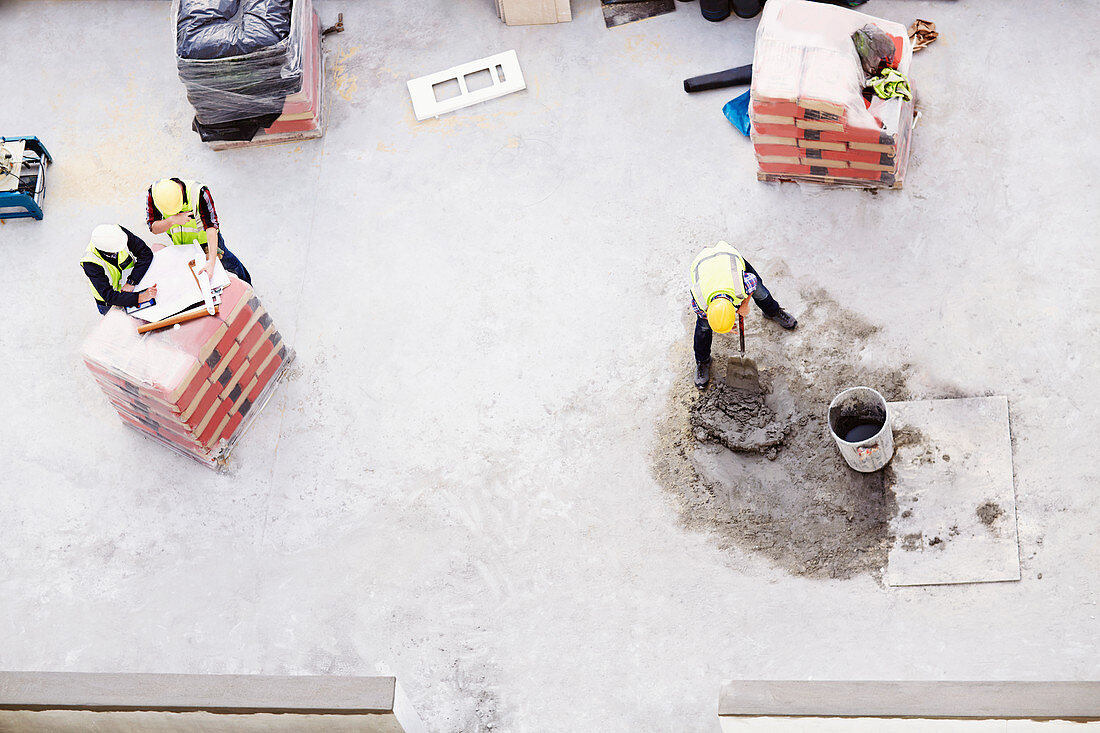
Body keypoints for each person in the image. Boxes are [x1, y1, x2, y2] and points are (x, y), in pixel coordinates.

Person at [689, 240, 797, 389]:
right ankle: (702, 361)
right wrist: (722, 325)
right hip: (704, 263)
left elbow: (752, 281)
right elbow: (709, 318)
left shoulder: (741, 284)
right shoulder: (699, 300)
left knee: (761, 292)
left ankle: (773, 311)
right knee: (703, 327)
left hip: (729, 257)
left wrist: (745, 305)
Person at [146, 177, 252, 284]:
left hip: (207, 240)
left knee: (228, 262)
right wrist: (172, 220)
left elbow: (211, 227)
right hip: (182, 244)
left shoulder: (199, 192)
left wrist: (211, 261)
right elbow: (153, 228)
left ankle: (247, 285)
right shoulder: (155, 194)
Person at [80, 224, 157, 315]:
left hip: (134, 287)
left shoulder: (118, 233)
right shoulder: (90, 262)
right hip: (109, 303)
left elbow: (145, 253)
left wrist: (132, 281)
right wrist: (141, 297)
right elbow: (108, 296)